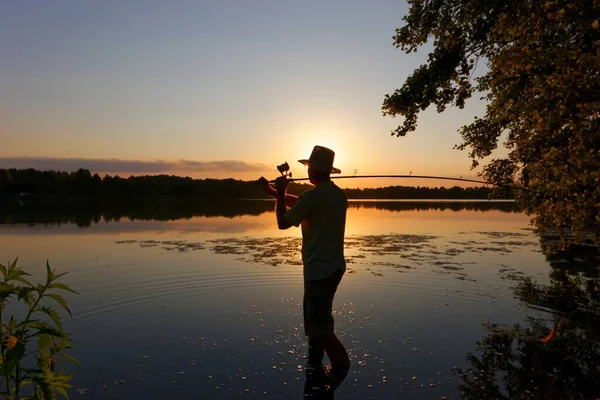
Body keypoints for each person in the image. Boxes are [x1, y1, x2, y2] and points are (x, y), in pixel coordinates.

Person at [259, 145, 350, 395]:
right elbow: (302, 204)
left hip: (319, 270)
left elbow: (282, 223)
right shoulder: (337, 195)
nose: (306, 170)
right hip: (333, 267)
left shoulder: (314, 196)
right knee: (316, 318)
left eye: (308, 166)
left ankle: (342, 366)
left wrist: (279, 192)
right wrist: (273, 192)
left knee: (319, 325)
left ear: (312, 168)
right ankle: (314, 361)